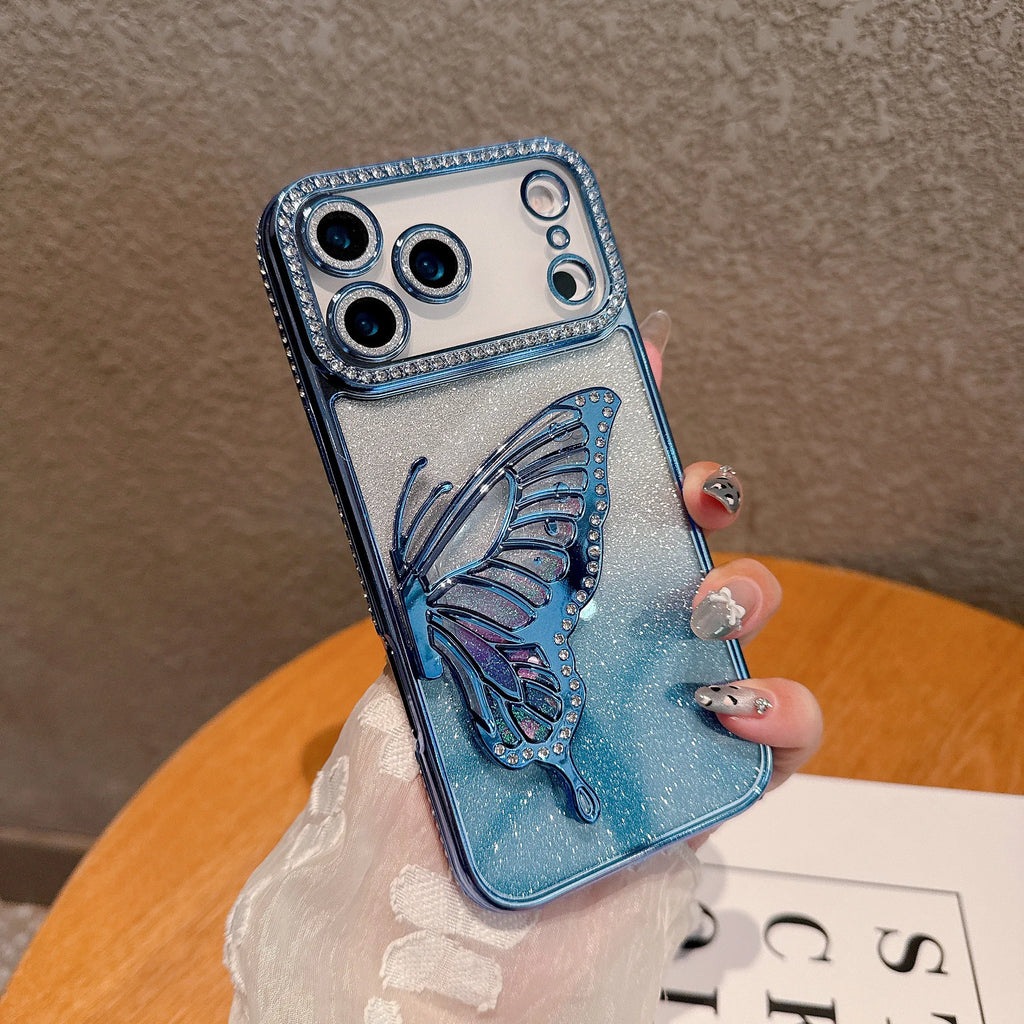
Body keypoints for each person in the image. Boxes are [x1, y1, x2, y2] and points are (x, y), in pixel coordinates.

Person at [223, 313, 824, 1024]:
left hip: (516, 674)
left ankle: (567, 769)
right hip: (508, 681)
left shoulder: (461, 580)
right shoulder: (453, 589)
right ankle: (565, 769)